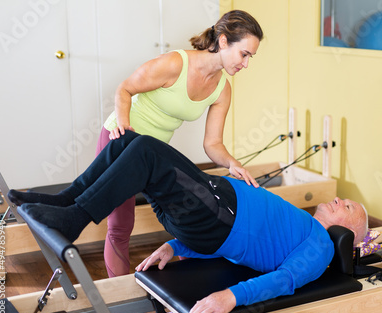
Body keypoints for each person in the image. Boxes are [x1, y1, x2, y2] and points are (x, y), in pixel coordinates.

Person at [9, 131, 368, 313]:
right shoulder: (304, 223)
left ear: (349, 232)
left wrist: (230, 296)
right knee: (131, 143)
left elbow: (286, 280)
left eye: (347, 207)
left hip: (214, 215)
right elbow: (241, 248)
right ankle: (65, 202)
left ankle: (73, 219)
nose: (339, 200)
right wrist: (176, 247)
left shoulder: (320, 244)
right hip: (205, 213)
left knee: (146, 153)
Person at [96, 9, 263, 281]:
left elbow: (213, 143)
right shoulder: (176, 64)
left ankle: (190, 289)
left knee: (189, 217)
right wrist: (124, 129)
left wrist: (233, 164)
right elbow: (124, 89)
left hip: (153, 152)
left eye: (250, 57)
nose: (246, 64)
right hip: (120, 138)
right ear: (223, 42)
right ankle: (120, 306)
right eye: (244, 54)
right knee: (121, 224)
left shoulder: (222, 89)